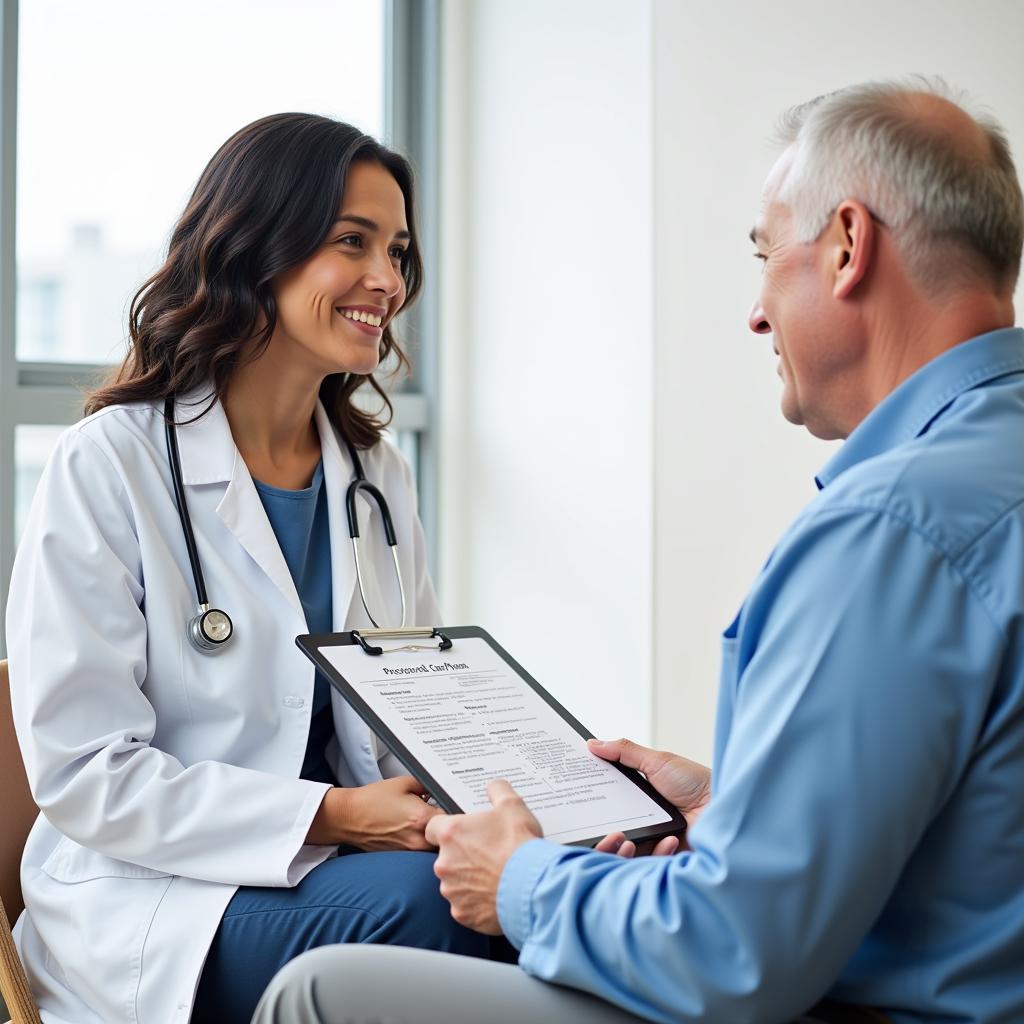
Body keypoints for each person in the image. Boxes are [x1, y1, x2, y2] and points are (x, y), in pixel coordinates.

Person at [250, 78, 1024, 1024]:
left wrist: (521, 876)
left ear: (849, 247)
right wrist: (730, 802)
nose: (755, 313)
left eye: (765, 254)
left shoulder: (892, 527)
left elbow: (734, 956)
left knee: (323, 994)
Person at [5, 113, 496, 1024]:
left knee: (536, 887)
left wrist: (512, 793)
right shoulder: (111, 462)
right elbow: (84, 775)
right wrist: (336, 816)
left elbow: (409, 714)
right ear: (254, 244)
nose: (386, 281)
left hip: (336, 871)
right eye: (352, 242)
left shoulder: (376, 478)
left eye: (397, 251)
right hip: (155, 898)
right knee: (450, 915)